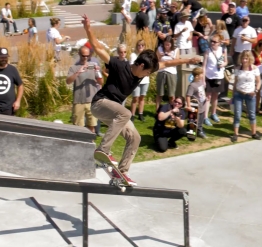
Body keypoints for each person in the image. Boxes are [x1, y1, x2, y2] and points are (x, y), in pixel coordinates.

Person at [81, 14, 200, 186]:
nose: (147, 76)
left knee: (135, 137)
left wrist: (189, 59)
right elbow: (98, 48)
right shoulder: (119, 65)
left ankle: (121, 173)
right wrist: (88, 29)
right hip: (100, 104)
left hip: (113, 112)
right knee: (126, 113)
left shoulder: (143, 70)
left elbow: (167, 64)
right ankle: (103, 149)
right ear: (141, 66)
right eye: (147, 72)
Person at [66, 46, 103, 133]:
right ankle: (79, 144)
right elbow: (68, 81)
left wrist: (97, 72)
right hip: (79, 101)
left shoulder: (93, 66)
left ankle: (90, 145)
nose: (85, 58)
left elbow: (101, 82)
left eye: (87, 56)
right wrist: (78, 72)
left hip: (92, 101)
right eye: (83, 56)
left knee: (92, 126)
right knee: (79, 128)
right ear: (79, 54)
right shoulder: (74, 67)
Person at [231, 50, 262, 142]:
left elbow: (259, 81)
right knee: (237, 114)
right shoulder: (237, 69)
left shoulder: (254, 69)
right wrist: (233, 95)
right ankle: (235, 134)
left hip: (250, 94)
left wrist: (256, 90)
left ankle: (253, 133)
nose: (244, 60)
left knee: (252, 114)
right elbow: (235, 82)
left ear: (250, 59)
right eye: (243, 58)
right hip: (239, 93)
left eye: (246, 58)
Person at [202, 34, 228, 126]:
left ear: (219, 43)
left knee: (215, 96)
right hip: (209, 77)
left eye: (214, 42)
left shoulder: (223, 50)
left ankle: (213, 113)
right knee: (208, 97)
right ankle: (205, 117)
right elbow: (204, 66)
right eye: (211, 41)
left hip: (219, 76)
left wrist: (223, 65)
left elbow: (226, 62)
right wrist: (203, 79)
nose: (212, 43)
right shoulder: (207, 52)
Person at [155, 37, 179, 110]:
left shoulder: (176, 50)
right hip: (161, 71)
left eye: (168, 45)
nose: (167, 46)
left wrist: (171, 57)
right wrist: (160, 56)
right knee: (159, 93)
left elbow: (177, 62)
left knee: (171, 94)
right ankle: (157, 111)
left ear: (171, 44)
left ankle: (172, 111)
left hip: (171, 72)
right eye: (165, 45)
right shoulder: (159, 49)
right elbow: (155, 61)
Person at [130, 40, 150, 122]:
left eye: (142, 45)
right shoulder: (133, 55)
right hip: (136, 80)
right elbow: (132, 66)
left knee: (142, 97)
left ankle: (140, 114)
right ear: (136, 46)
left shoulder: (147, 56)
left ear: (144, 46)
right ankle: (132, 115)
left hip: (145, 80)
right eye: (139, 45)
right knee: (135, 98)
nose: (140, 47)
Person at [185, 67, 207, 139]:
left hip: (202, 105)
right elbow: (188, 96)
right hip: (196, 106)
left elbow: (202, 92)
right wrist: (189, 106)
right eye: (201, 74)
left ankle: (199, 130)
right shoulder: (192, 85)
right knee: (194, 120)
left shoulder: (200, 82)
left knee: (201, 119)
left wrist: (205, 97)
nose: (203, 75)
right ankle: (193, 132)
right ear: (197, 76)